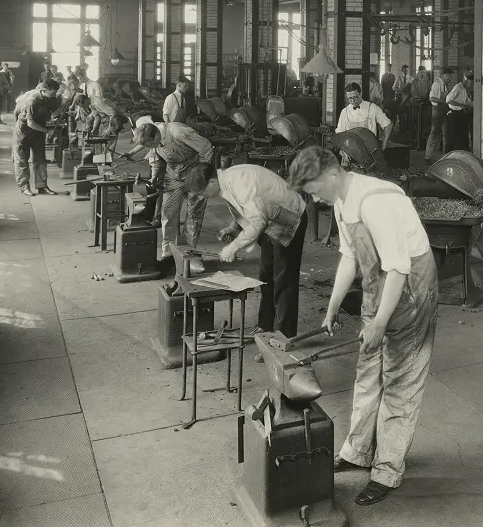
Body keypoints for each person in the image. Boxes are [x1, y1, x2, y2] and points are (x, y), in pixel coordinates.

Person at [288, 146, 438, 506]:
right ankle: (357, 451)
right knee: (368, 372)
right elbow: (351, 256)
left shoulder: (375, 201)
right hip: (378, 287)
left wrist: (380, 322)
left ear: (331, 174)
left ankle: (387, 469)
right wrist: (332, 308)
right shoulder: (342, 201)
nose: (312, 197)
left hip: (411, 292)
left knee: (400, 381)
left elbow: (399, 268)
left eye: (312, 188)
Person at [185, 163, 307, 338]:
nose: (203, 197)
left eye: (202, 193)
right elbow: (246, 209)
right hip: (271, 220)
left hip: (289, 220)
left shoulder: (240, 183)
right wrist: (234, 228)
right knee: (266, 276)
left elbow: (258, 221)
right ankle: (265, 327)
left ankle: (284, 337)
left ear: (211, 182)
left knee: (283, 280)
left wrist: (233, 247)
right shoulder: (226, 182)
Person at [133, 116, 213, 265]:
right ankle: (169, 254)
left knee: (194, 214)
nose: (151, 148)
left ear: (156, 135)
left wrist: (201, 173)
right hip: (174, 172)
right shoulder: (153, 138)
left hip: (194, 170)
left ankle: (188, 254)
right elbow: (156, 157)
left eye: (151, 144)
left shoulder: (179, 132)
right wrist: (156, 176)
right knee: (168, 212)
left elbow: (206, 147)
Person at [14, 79, 60, 196]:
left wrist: (67, 105)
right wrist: (47, 131)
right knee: (22, 160)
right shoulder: (31, 100)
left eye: (55, 93)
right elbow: (30, 123)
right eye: (52, 93)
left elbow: (54, 113)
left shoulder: (51, 98)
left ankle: (42, 186)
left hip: (38, 131)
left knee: (40, 160)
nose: (54, 95)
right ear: (43, 90)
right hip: (24, 131)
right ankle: (24, 187)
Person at [335, 82, 393, 150]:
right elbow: (340, 133)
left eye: (355, 97)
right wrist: (344, 150)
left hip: (369, 150)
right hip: (350, 152)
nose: (352, 101)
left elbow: (388, 125)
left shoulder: (372, 108)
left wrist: (383, 146)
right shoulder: (345, 111)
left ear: (360, 94)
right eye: (349, 98)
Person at [425, 67, 455, 161]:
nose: (451, 79)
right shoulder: (436, 84)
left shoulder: (445, 85)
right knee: (433, 134)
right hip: (437, 112)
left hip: (444, 111)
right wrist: (444, 101)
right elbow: (432, 98)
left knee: (446, 135)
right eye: (450, 77)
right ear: (445, 75)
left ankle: (445, 158)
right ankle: (428, 156)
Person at [445, 68, 475, 151]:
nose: (472, 86)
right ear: (468, 81)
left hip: (462, 114)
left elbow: (468, 102)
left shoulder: (465, 89)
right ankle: (449, 155)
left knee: (463, 137)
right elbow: (448, 100)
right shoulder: (458, 87)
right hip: (454, 115)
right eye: (472, 84)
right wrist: (461, 105)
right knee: (453, 137)